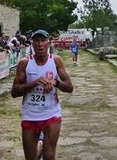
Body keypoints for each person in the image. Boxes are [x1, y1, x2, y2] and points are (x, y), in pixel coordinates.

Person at [11, 29, 73, 160]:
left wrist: (55, 83)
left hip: (51, 113)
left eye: (43, 40)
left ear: (48, 42)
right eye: (36, 41)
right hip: (30, 114)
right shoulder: (25, 63)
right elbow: (14, 92)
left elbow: (69, 87)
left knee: (49, 155)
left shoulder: (56, 61)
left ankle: (43, 148)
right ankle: (39, 146)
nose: (40, 44)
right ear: (32, 44)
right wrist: (34, 84)